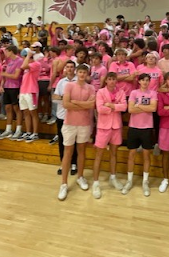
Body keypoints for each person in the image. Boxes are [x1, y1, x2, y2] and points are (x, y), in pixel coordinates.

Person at [58, 64, 96, 201]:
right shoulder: (69, 85)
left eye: (84, 72)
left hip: (84, 124)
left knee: (81, 151)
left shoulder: (91, 88)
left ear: (87, 74)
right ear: (76, 72)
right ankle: (63, 183)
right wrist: (82, 104)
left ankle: (80, 177)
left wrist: (75, 102)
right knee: (68, 152)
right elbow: (66, 104)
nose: (81, 74)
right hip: (69, 124)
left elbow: (91, 105)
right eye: (80, 72)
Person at [122, 74, 158, 197]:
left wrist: (138, 106)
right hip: (133, 127)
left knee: (146, 155)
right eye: (143, 80)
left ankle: (145, 181)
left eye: (147, 80)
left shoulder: (153, 93)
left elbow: (153, 108)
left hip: (147, 128)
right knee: (131, 154)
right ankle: (129, 180)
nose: (145, 82)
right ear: (139, 81)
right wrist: (144, 108)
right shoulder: (133, 93)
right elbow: (130, 110)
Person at [92, 72, 127, 199]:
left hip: (116, 126)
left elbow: (124, 107)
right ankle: (96, 183)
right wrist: (114, 108)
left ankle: (113, 177)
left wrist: (111, 106)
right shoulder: (100, 92)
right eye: (110, 79)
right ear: (106, 80)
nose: (112, 81)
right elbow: (100, 109)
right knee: (99, 155)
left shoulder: (121, 92)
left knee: (114, 154)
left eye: (114, 79)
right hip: (103, 127)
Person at [53, 61, 78, 176]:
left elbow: (78, 99)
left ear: (75, 69)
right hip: (61, 115)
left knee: (75, 142)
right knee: (62, 141)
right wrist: (66, 98)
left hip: (75, 116)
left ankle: (73, 163)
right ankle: (63, 163)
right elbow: (54, 98)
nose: (69, 69)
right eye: (67, 67)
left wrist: (65, 99)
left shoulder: (79, 81)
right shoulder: (61, 82)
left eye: (71, 67)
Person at [0, 45, 23, 140]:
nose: (5, 54)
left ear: (11, 51)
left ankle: (18, 129)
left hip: (15, 87)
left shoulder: (19, 60)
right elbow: (4, 75)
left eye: (6, 52)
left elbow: (16, 76)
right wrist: (1, 85)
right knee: (8, 108)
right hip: (7, 87)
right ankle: (8, 129)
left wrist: (4, 74)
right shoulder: (8, 61)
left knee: (17, 108)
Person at [16, 49, 41, 143]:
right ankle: (28, 132)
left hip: (32, 91)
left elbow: (23, 66)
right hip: (24, 91)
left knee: (33, 113)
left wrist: (27, 56)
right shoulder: (28, 66)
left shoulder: (36, 64)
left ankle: (35, 133)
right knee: (26, 112)